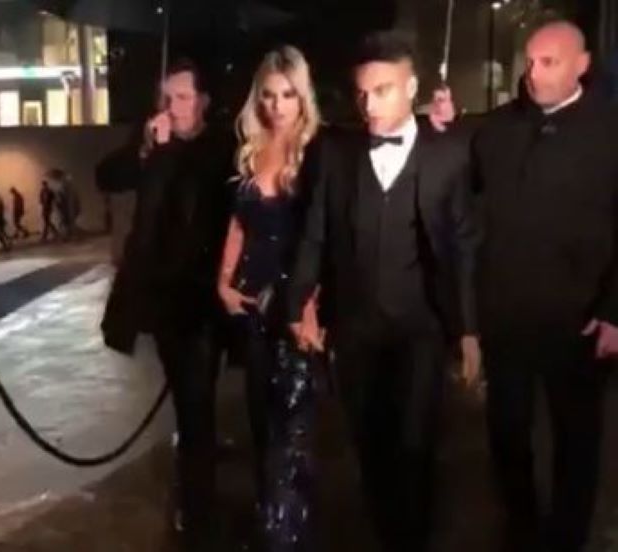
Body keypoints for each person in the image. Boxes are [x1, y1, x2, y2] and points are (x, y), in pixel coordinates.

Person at [288, 31, 479, 552]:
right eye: (362, 93)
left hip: (422, 326)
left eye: (383, 90)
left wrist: (468, 329)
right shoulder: (336, 154)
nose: (368, 105)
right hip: (355, 328)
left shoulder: (447, 153)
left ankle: (413, 537)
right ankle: (387, 531)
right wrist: (300, 304)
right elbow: (314, 232)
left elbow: (463, 244)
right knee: (369, 443)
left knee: (416, 443)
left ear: (412, 88)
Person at [469, 20, 618, 552]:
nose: (533, 73)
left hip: (580, 320)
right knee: (507, 433)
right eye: (529, 62)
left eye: (548, 62)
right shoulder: (498, 128)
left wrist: (615, 311)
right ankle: (521, 528)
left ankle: (567, 538)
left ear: (582, 65)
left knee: (577, 439)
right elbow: (460, 176)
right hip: (506, 314)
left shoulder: (610, 132)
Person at [100, 58, 236, 550]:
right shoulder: (154, 142)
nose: (173, 106)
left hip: (208, 298)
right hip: (168, 303)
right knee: (192, 405)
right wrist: (145, 149)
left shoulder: (219, 149)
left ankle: (199, 507)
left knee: (197, 405)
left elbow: (209, 200)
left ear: (203, 102)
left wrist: (165, 153)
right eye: (167, 97)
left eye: (182, 97)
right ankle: (198, 511)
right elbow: (107, 175)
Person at [216, 46, 321, 550]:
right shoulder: (249, 150)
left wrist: (313, 305)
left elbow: (327, 235)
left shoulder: (317, 152)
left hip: (299, 305)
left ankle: (290, 533)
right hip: (253, 306)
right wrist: (223, 282)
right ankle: (270, 523)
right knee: (260, 421)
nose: (277, 106)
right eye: (268, 95)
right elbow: (239, 224)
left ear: (303, 98)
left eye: (287, 95)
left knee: (293, 428)